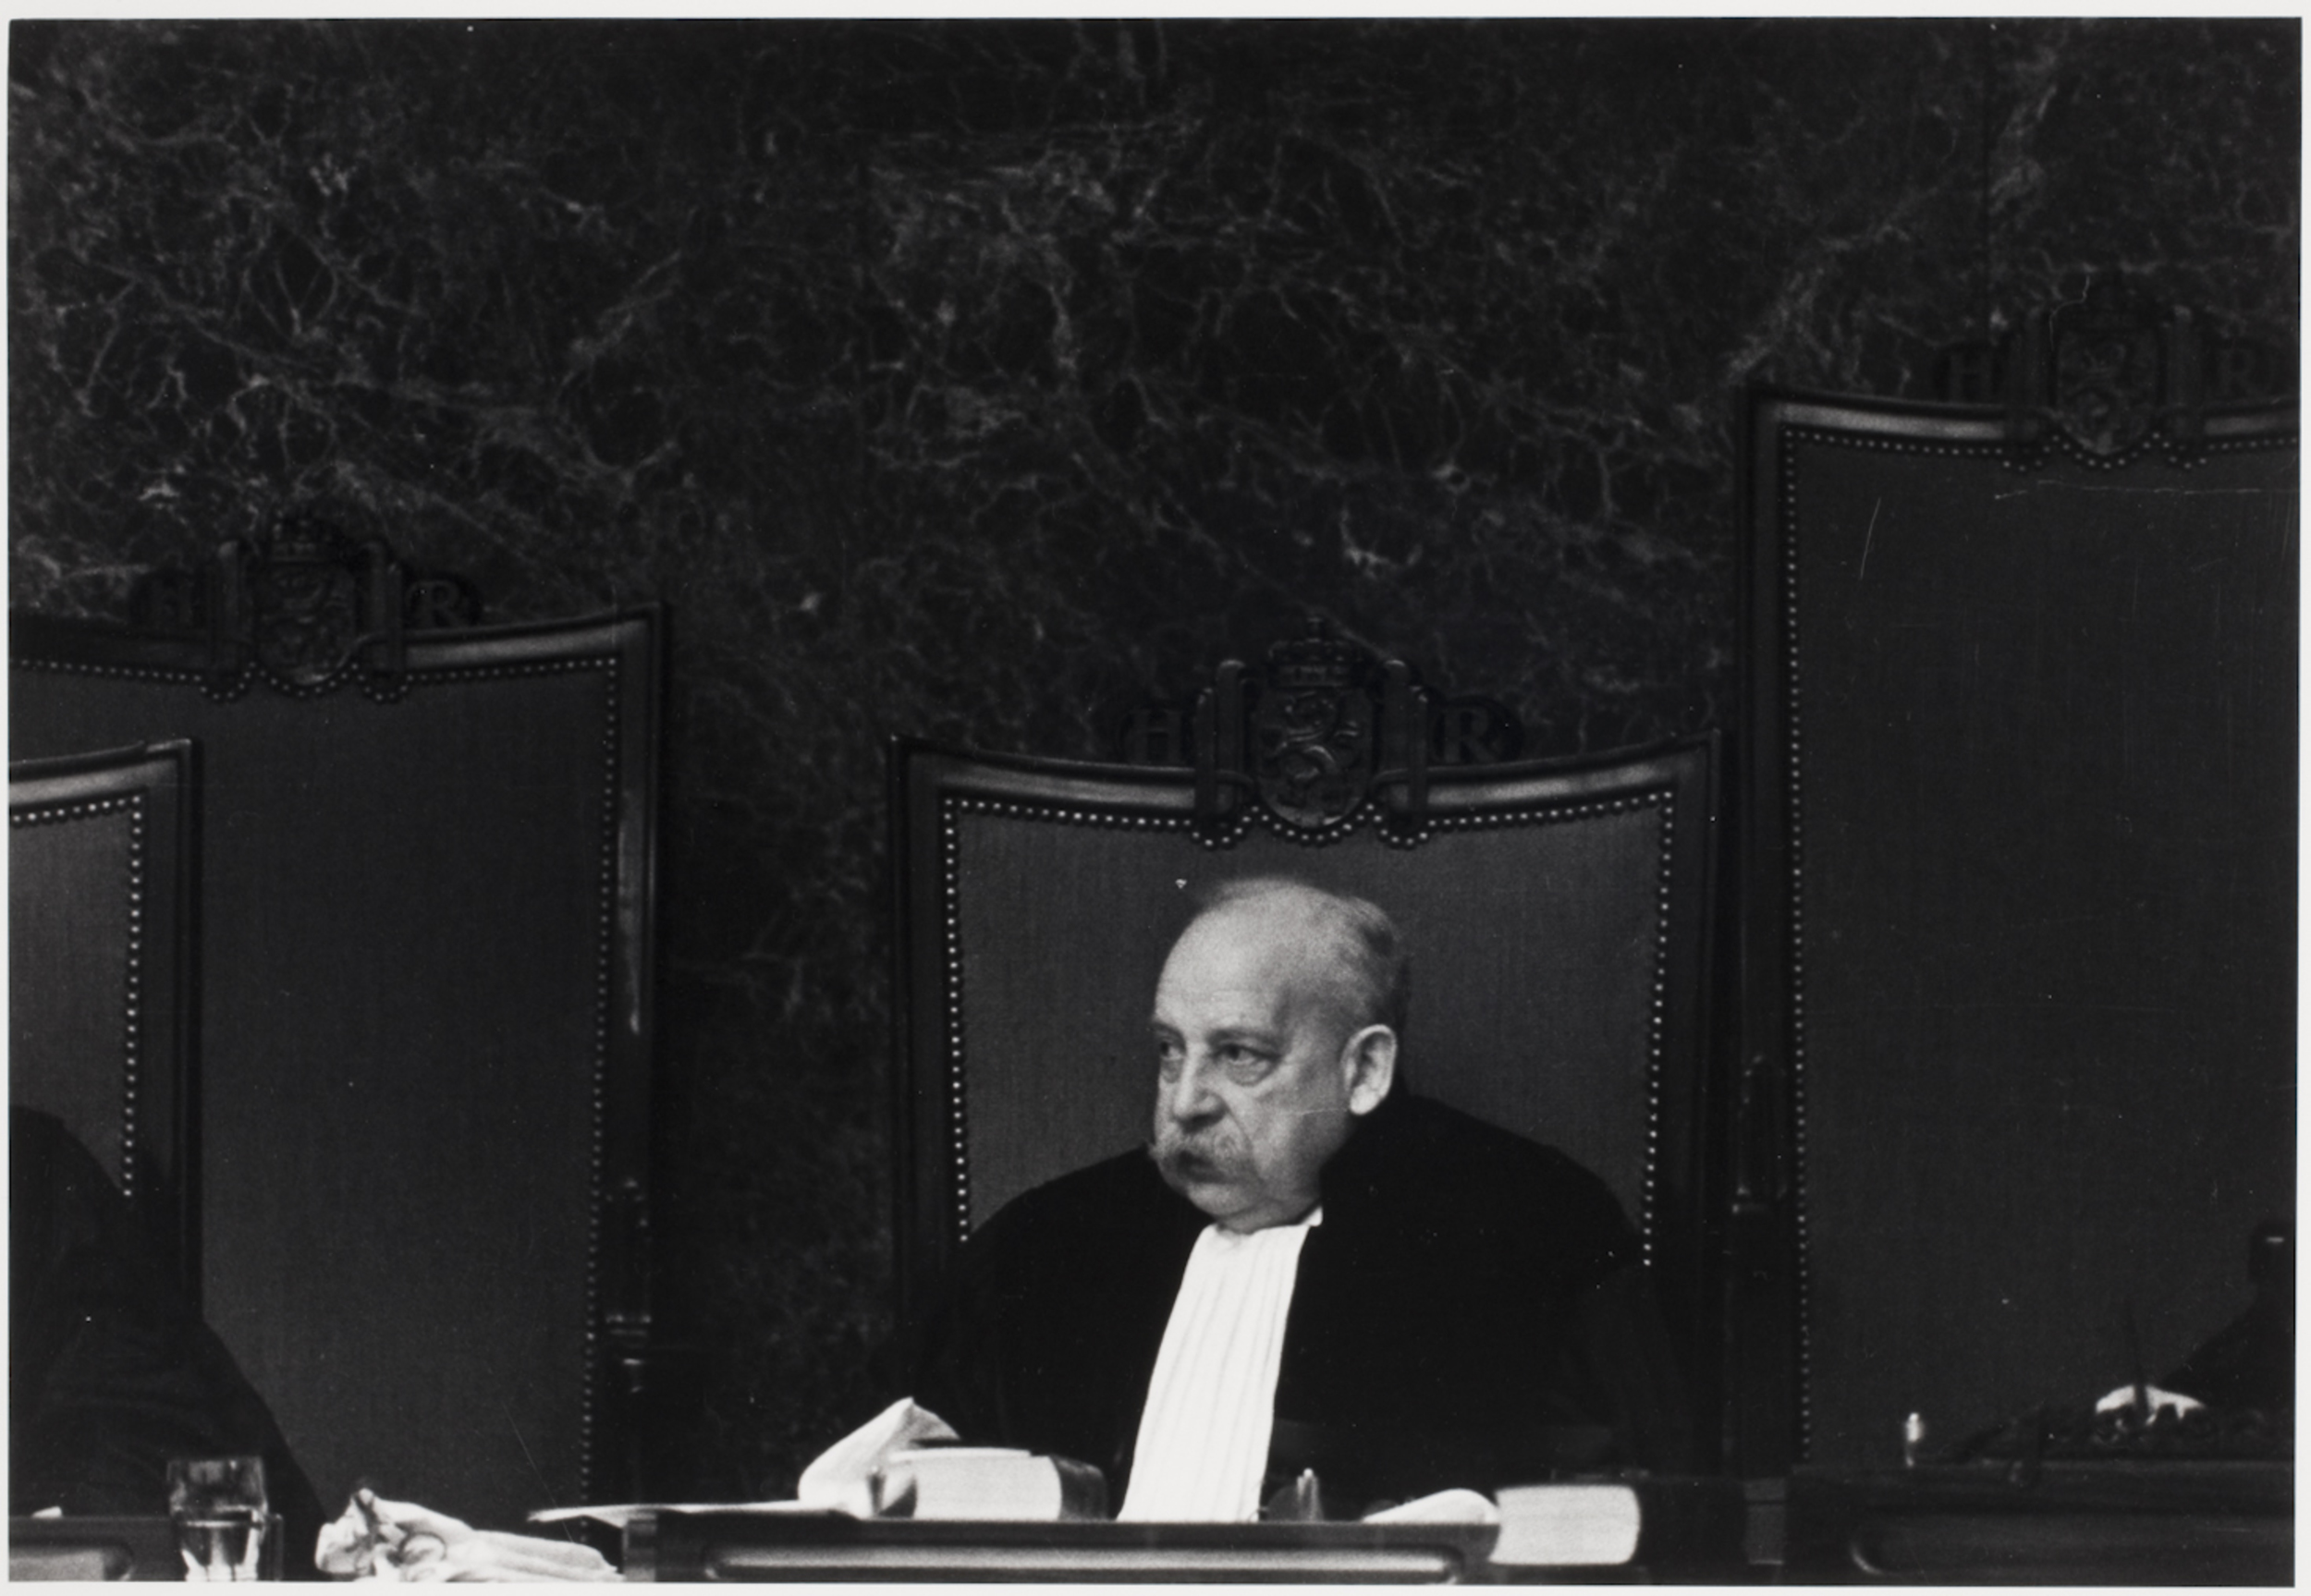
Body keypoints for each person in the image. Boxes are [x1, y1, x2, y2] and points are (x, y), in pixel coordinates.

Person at [910, 876, 1692, 1520]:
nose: (1183, 1102)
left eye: (1239, 1054)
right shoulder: (1045, 1245)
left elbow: (1649, 1518)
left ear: (1365, 1071)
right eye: (1169, 1050)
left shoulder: (1533, 1230)